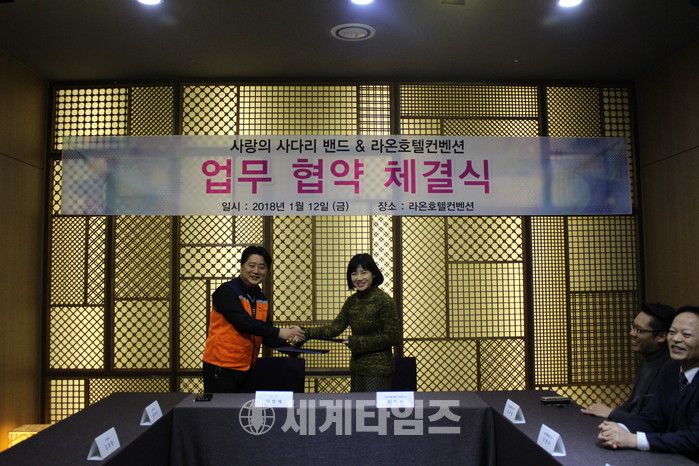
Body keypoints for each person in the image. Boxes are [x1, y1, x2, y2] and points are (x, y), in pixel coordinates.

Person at [597, 305, 699, 461]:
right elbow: (652, 418)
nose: (676, 339)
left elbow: (695, 439)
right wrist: (620, 429)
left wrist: (634, 440)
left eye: (686, 334)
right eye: (672, 332)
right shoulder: (670, 369)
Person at [202, 245, 305, 393]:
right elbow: (244, 323)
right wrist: (280, 332)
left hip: (248, 368)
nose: (256, 271)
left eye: (261, 267)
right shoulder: (226, 292)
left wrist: (290, 347)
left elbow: (265, 334)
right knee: (222, 408)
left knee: (245, 408)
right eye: (251, 265)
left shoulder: (260, 297)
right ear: (242, 266)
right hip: (221, 368)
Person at [300, 253, 401, 392]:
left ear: (373, 274)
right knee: (357, 406)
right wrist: (304, 332)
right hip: (356, 368)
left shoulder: (383, 300)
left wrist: (357, 342)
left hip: (379, 370)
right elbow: (334, 329)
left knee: (372, 406)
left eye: (364, 272)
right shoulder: (352, 302)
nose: (359, 278)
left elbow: (393, 337)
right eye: (354, 274)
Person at [582, 302, 675, 422]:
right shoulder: (647, 361)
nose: (632, 333)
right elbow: (632, 403)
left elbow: (652, 423)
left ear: (661, 336)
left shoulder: (670, 369)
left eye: (639, 330)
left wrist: (611, 413)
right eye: (633, 327)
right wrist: (608, 415)